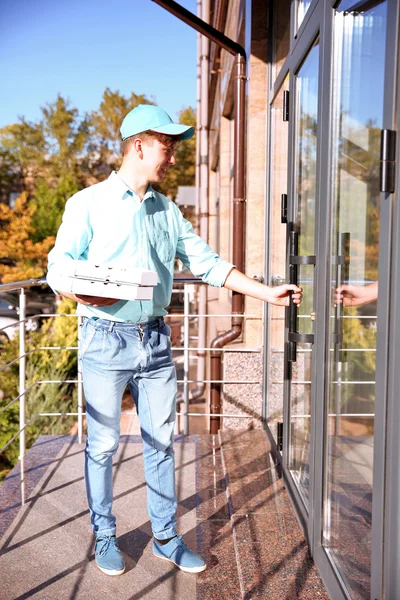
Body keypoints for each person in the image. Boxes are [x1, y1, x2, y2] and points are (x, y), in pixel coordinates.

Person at [47, 104, 302, 577]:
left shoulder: (167, 211)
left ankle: (165, 537)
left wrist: (268, 293)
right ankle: (105, 534)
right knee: (102, 446)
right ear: (139, 146)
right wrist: (76, 288)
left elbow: (208, 264)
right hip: (103, 340)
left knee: (161, 443)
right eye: (167, 146)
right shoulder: (87, 203)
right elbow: (58, 266)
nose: (172, 157)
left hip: (156, 342)